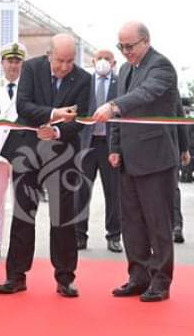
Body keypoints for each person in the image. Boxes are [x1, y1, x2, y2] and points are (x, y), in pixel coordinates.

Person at [0, 33, 90, 298]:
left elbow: (80, 118)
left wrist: (58, 132)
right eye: (60, 60)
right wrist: (53, 116)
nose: (64, 66)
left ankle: (65, 278)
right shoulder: (32, 68)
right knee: (23, 213)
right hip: (28, 148)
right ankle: (16, 276)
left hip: (62, 153)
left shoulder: (83, 78)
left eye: (70, 61)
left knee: (64, 217)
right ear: (49, 54)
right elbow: (24, 104)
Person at [93, 21, 180, 303]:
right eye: (122, 47)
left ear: (146, 41)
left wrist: (114, 106)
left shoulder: (161, 66)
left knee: (158, 223)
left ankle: (161, 280)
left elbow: (143, 95)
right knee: (131, 222)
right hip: (128, 158)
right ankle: (138, 275)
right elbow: (120, 111)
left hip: (155, 157)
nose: (126, 52)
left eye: (130, 46)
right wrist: (114, 146)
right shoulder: (126, 68)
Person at [0, 42, 27, 260]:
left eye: (17, 61)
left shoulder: (29, 87)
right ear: (2, 63)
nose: (13, 65)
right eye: (10, 61)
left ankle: (19, 246)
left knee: (21, 200)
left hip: (21, 149)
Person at [76, 49, 122, 253]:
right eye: (99, 59)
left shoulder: (120, 83)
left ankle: (114, 236)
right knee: (81, 191)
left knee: (114, 192)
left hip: (110, 145)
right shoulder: (84, 81)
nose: (103, 62)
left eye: (107, 59)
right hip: (87, 143)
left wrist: (118, 146)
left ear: (114, 63)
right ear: (93, 61)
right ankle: (79, 235)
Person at [173, 102, 191, 244]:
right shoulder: (171, 88)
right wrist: (184, 148)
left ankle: (175, 226)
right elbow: (181, 119)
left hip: (168, 149)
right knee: (172, 190)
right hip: (170, 148)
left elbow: (180, 119)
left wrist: (184, 148)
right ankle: (176, 225)